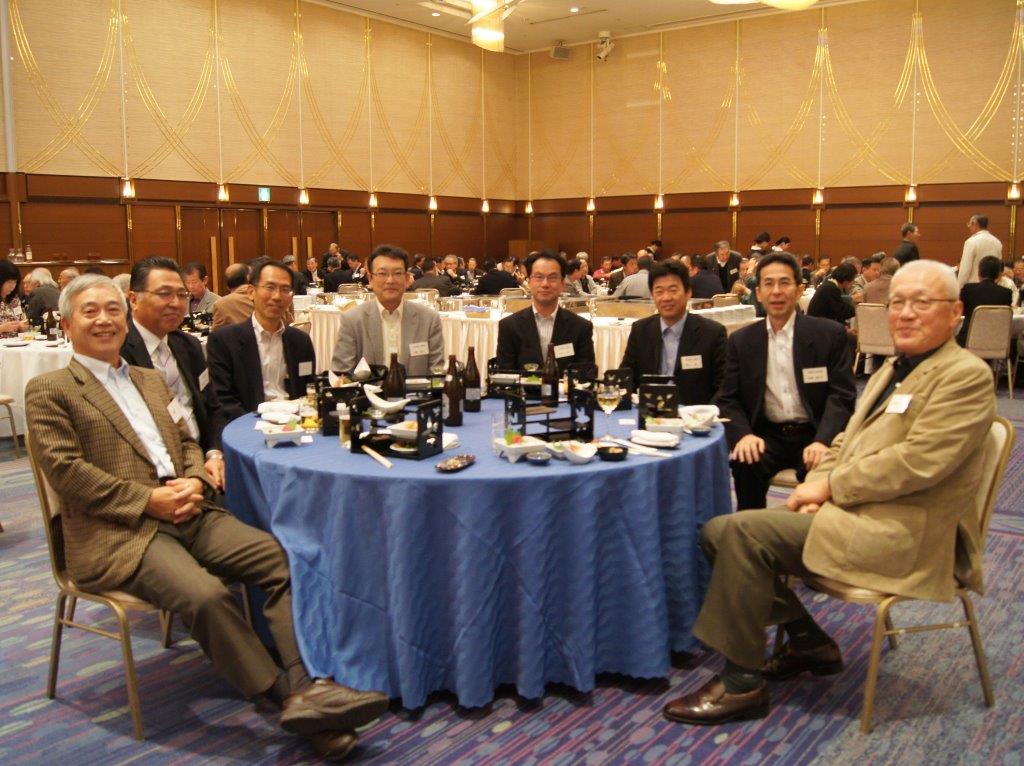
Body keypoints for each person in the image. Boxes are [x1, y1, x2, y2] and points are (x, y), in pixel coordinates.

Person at [26, 274, 388, 760]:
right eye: (90, 311)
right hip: (122, 530)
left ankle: (307, 684)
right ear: (67, 324)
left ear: (125, 318)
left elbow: (189, 440)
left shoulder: (149, 380)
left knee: (286, 560)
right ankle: (288, 699)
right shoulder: (49, 390)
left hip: (190, 510)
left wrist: (196, 480)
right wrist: (148, 500)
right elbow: (69, 474)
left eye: (112, 310)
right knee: (207, 595)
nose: (105, 320)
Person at [662, 259, 996, 726]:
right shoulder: (896, 368)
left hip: (904, 531)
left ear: (956, 311)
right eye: (897, 302)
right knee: (718, 531)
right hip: (858, 512)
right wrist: (818, 488)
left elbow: (917, 463)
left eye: (922, 303)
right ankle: (809, 641)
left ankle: (741, 683)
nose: (905, 314)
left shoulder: (964, 375)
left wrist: (830, 486)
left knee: (740, 535)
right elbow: (848, 440)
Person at [717, 253, 856, 511]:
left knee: (820, 491)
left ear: (799, 289)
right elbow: (728, 399)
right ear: (758, 293)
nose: (776, 292)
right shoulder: (742, 341)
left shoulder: (828, 335)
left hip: (815, 431)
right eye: (768, 284)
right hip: (767, 434)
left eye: (784, 283)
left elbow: (842, 396)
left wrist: (824, 440)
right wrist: (744, 435)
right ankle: (751, 527)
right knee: (745, 461)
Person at [120, 256, 227, 490]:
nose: (176, 303)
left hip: (204, 459)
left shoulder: (188, 345)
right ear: (134, 299)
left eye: (182, 295)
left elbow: (212, 407)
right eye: (164, 294)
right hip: (154, 474)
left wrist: (214, 453)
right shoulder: (118, 351)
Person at [207, 259, 316, 424]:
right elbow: (223, 400)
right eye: (270, 287)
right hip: (248, 424)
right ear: (251, 292)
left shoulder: (300, 341)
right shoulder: (224, 341)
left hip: (294, 425)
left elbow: (308, 390)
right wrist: (255, 426)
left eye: (285, 289)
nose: (277, 296)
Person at [619, 260, 726, 404]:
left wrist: (704, 414)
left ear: (688, 293)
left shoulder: (712, 333)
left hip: (693, 415)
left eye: (673, 290)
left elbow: (724, 388)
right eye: (659, 291)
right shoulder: (641, 330)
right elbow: (625, 379)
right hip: (650, 413)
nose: (666, 297)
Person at [331, 244, 445, 376]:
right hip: (367, 389)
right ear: (370, 279)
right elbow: (342, 375)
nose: (390, 280)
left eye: (397, 273)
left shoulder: (429, 319)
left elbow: (437, 372)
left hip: (417, 390)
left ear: (407, 279)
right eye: (382, 273)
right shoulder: (352, 320)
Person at [495, 250, 595, 374]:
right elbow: (505, 376)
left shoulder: (581, 327)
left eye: (552, 277)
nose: (545, 284)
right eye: (538, 277)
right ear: (529, 282)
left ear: (562, 284)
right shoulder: (509, 326)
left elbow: (586, 376)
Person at [957, 255, 1013, 346]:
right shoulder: (1006, 293)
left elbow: (961, 311)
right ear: (998, 274)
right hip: (997, 343)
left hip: (968, 341)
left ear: (979, 272)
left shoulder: (968, 289)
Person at [957, 214, 1003, 288]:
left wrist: (960, 287)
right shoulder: (997, 242)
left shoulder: (971, 242)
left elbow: (965, 268)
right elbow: (999, 266)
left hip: (973, 286)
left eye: (969, 224)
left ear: (975, 224)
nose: (968, 226)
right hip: (993, 286)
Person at [212, 263, 254, 328]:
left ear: (227, 286)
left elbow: (216, 332)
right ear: (248, 278)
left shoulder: (221, 304)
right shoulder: (261, 296)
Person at [0, 259, 29, 337]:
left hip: (16, 342)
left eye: (15, 282)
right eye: (9, 282)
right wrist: (2, 328)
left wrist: (22, 326)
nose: (12, 286)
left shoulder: (14, 299)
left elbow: (21, 320)